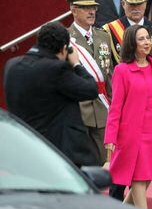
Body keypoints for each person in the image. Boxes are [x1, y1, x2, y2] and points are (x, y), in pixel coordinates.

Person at [4, 22, 99, 167]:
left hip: (23, 148)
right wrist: (77, 64)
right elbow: (91, 89)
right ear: (63, 49)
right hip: (57, 154)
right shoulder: (56, 69)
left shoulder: (11, 66)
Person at [104, 25, 152, 209]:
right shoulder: (122, 70)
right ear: (131, 43)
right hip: (132, 135)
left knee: (147, 179)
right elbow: (116, 107)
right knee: (138, 179)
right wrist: (110, 136)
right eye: (141, 39)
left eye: (148, 38)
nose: (147, 42)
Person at [66, 0, 113, 166]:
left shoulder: (103, 36)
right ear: (73, 10)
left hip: (102, 108)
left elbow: (108, 74)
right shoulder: (65, 37)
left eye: (93, 7)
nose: (92, 11)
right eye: (86, 8)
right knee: (79, 163)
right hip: (78, 109)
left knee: (105, 161)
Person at [103, 0, 152, 66]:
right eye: (131, 4)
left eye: (139, 3)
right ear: (123, 4)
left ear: (145, 3)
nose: (136, 8)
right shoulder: (110, 30)